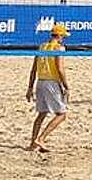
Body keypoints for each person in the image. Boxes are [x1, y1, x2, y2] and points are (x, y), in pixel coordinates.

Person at [25, 24, 69, 152]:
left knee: (42, 114)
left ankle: (33, 143)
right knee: (62, 114)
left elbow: (33, 69)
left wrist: (30, 87)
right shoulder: (59, 48)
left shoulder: (42, 47)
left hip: (40, 82)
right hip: (51, 82)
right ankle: (41, 138)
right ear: (59, 36)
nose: (63, 39)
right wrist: (66, 86)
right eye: (63, 36)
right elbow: (60, 69)